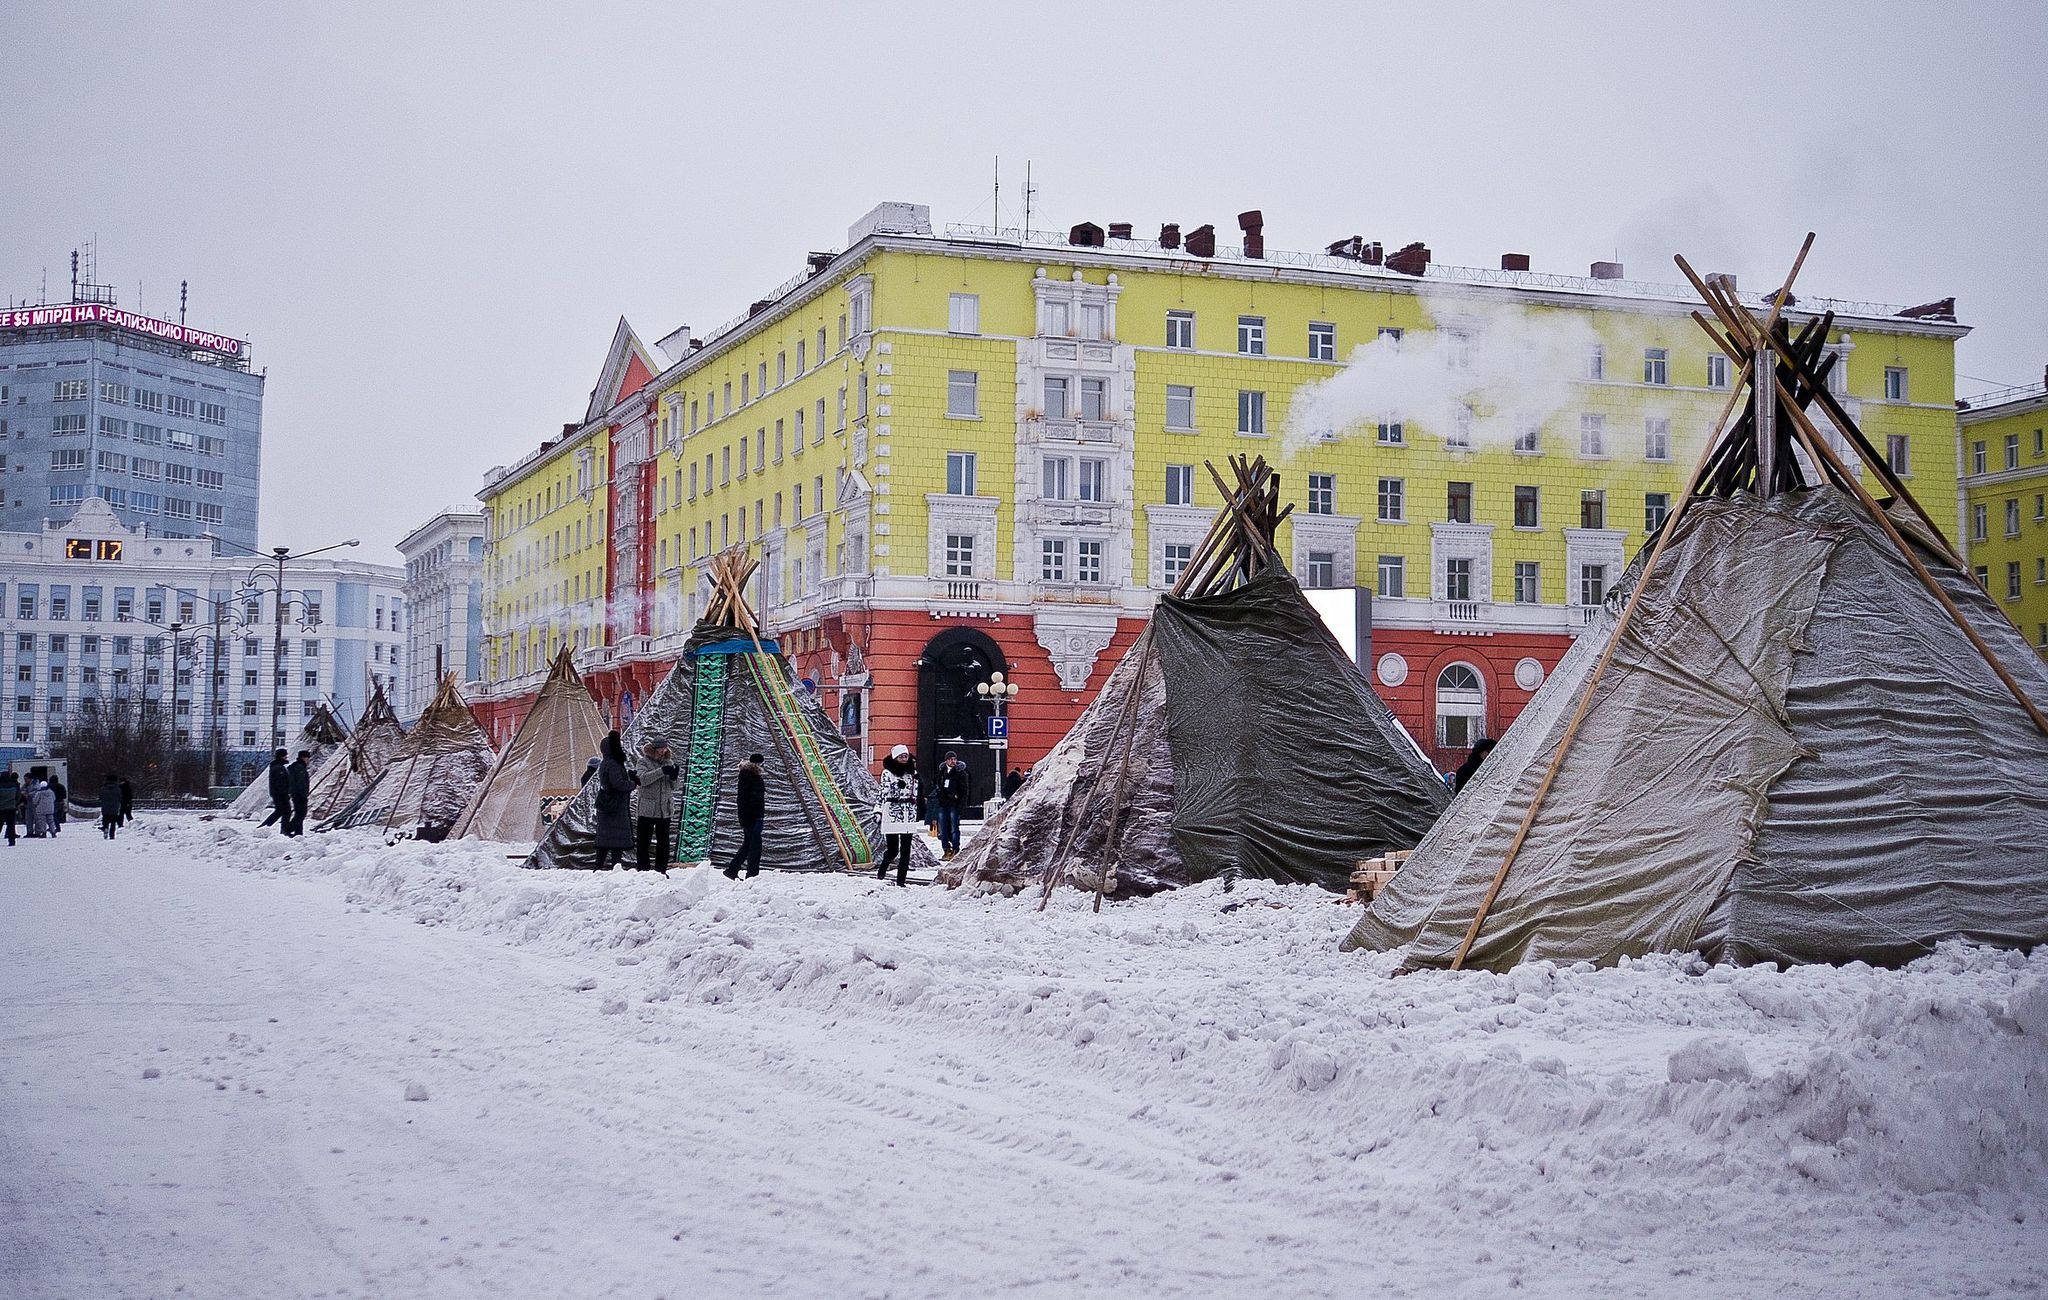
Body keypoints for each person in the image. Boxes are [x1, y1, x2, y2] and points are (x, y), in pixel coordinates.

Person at [590, 731, 638, 870]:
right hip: (616, 807)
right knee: (617, 841)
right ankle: (615, 868)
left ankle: (599, 867)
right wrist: (632, 784)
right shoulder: (613, 764)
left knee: (605, 840)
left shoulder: (605, 763)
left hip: (608, 806)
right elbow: (618, 784)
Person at [874, 744, 920, 887]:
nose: (904, 758)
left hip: (908, 812)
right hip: (892, 812)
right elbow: (882, 792)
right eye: (901, 756)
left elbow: (916, 792)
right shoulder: (888, 773)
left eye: (906, 756)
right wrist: (878, 810)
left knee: (906, 849)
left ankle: (901, 881)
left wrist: (918, 809)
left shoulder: (913, 773)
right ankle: (882, 871)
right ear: (895, 757)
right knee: (893, 849)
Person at [634, 740, 679, 872]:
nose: (663, 751)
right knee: (643, 842)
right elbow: (642, 779)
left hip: (664, 809)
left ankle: (661, 870)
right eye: (661, 749)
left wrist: (674, 776)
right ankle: (643, 870)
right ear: (654, 749)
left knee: (664, 843)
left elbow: (674, 787)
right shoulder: (643, 762)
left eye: (665, 749)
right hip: (647, 809)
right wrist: (661, 771)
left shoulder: (668, 762)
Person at [724, 752, 766, 879]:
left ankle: (732, 870)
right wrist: (759, 817)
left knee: (748, 844)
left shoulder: (745, 776)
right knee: (755, 847)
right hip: (752, 817)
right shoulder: (754, 778)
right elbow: (756, 799)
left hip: (745, 816)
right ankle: (752, 874)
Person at [933, 750, 970, 857]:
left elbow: (964, 791)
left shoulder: (961, 773)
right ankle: (946, 848)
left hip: (954, 804)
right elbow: (937, 785)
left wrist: (961, 805)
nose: (953, 761)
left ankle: (955, 848)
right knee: (942, 829)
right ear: (946, 761)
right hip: (943, 804)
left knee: (954, 828)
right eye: (950, 759)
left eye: (954, 759)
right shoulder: (941, 772)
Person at [259, 750, 291, 830]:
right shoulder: (278, 768)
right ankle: (284, 830)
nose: (286, 758)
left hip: (279, 793)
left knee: (280, 811)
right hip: (280, 794)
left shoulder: (278, 766)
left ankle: (264, 827)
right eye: (285, 756)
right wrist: (285, 793)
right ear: (281, 757)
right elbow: (280, 783)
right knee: (286, 811)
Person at [285, 751, 312, 836]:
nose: (309, 761)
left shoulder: (294, 767)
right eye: (308, 758)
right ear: (304, 758)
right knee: (301, 814)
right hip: (299, 794)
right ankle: (288, 829)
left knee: (298, 813)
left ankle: (298, 833)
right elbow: (301, 783)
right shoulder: (300, 768)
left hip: (294, 793)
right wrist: (304, 794)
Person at [98, 774, 122, 840]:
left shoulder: (103, 788)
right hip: (114, 807)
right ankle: (112, 835)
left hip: (105, 807)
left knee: (105, 819)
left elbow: (100, 797)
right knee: (113, 822)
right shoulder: (118, 789)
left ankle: (105, 828)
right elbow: (120, 798)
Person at [0, 771, 20, 846]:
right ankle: (12, 841)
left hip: (1, 808)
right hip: (11, 808)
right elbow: (18, 796)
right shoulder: (14, 785)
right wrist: (15, 803)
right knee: (11, 825)